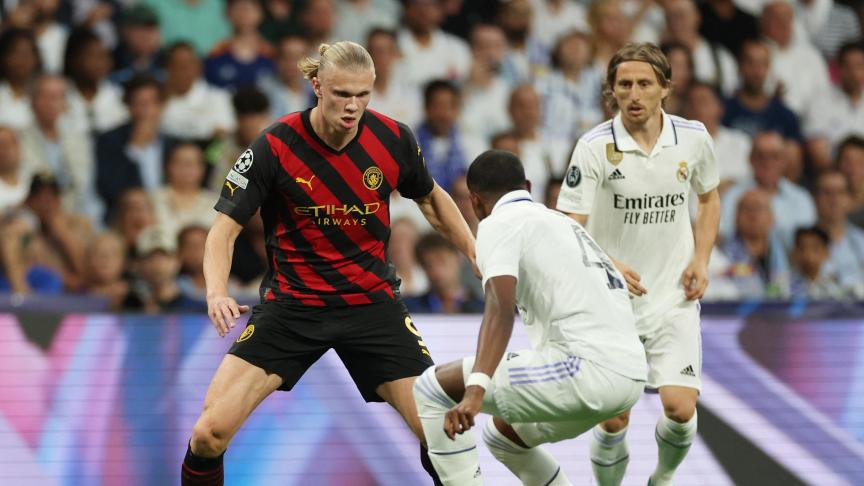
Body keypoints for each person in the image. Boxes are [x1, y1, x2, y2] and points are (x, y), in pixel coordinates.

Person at [180, 41, 476, 486]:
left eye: (363, 95)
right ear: (317, 86)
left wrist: (475, 251)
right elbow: (224, 229)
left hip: (372, 307)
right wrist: (216, 291)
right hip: (293, 308)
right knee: (208, 434)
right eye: (342, 94)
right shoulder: (275, 145)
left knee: (442, 433)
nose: (353, 106)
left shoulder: (393, 139)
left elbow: (431, 198)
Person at [413, 149, 647, 485]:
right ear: (528, 187)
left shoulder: (498, 223)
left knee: (432, 387)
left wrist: (477, 388)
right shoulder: (563, 223)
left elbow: (499, 308)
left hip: (586, 370)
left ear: (475, 202)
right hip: (630, 375)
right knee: (503, 438)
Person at [556, 42, 721, 486]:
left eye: (644, 84)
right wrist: (608, 262)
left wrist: (701, 259)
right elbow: (566, 225)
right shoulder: (593, 147)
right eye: (624, 84)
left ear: (665, 87)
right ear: (611, 90)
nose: (634, 94)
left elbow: (709, 199)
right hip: (611, 303)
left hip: (673, 298)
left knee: (680, 409)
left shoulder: (693, 138)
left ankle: (662, 478)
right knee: (614, 418)